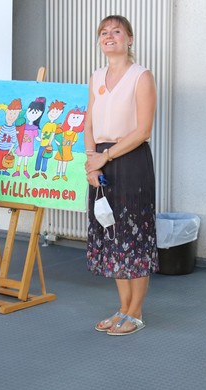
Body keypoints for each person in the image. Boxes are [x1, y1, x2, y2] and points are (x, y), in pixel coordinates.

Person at [84, 15, 159, 336]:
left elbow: (143, 130)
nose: (109, 36)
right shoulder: (96, 76)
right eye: (104, 32)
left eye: (116, 31)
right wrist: (92, 161)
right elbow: (88, 122)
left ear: (130, 39)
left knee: (134, 235)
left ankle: (136, 311)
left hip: (130, 160)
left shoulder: (141, 76)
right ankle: (122, 307)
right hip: (101, 160)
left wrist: (106, 156)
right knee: (111, 231)